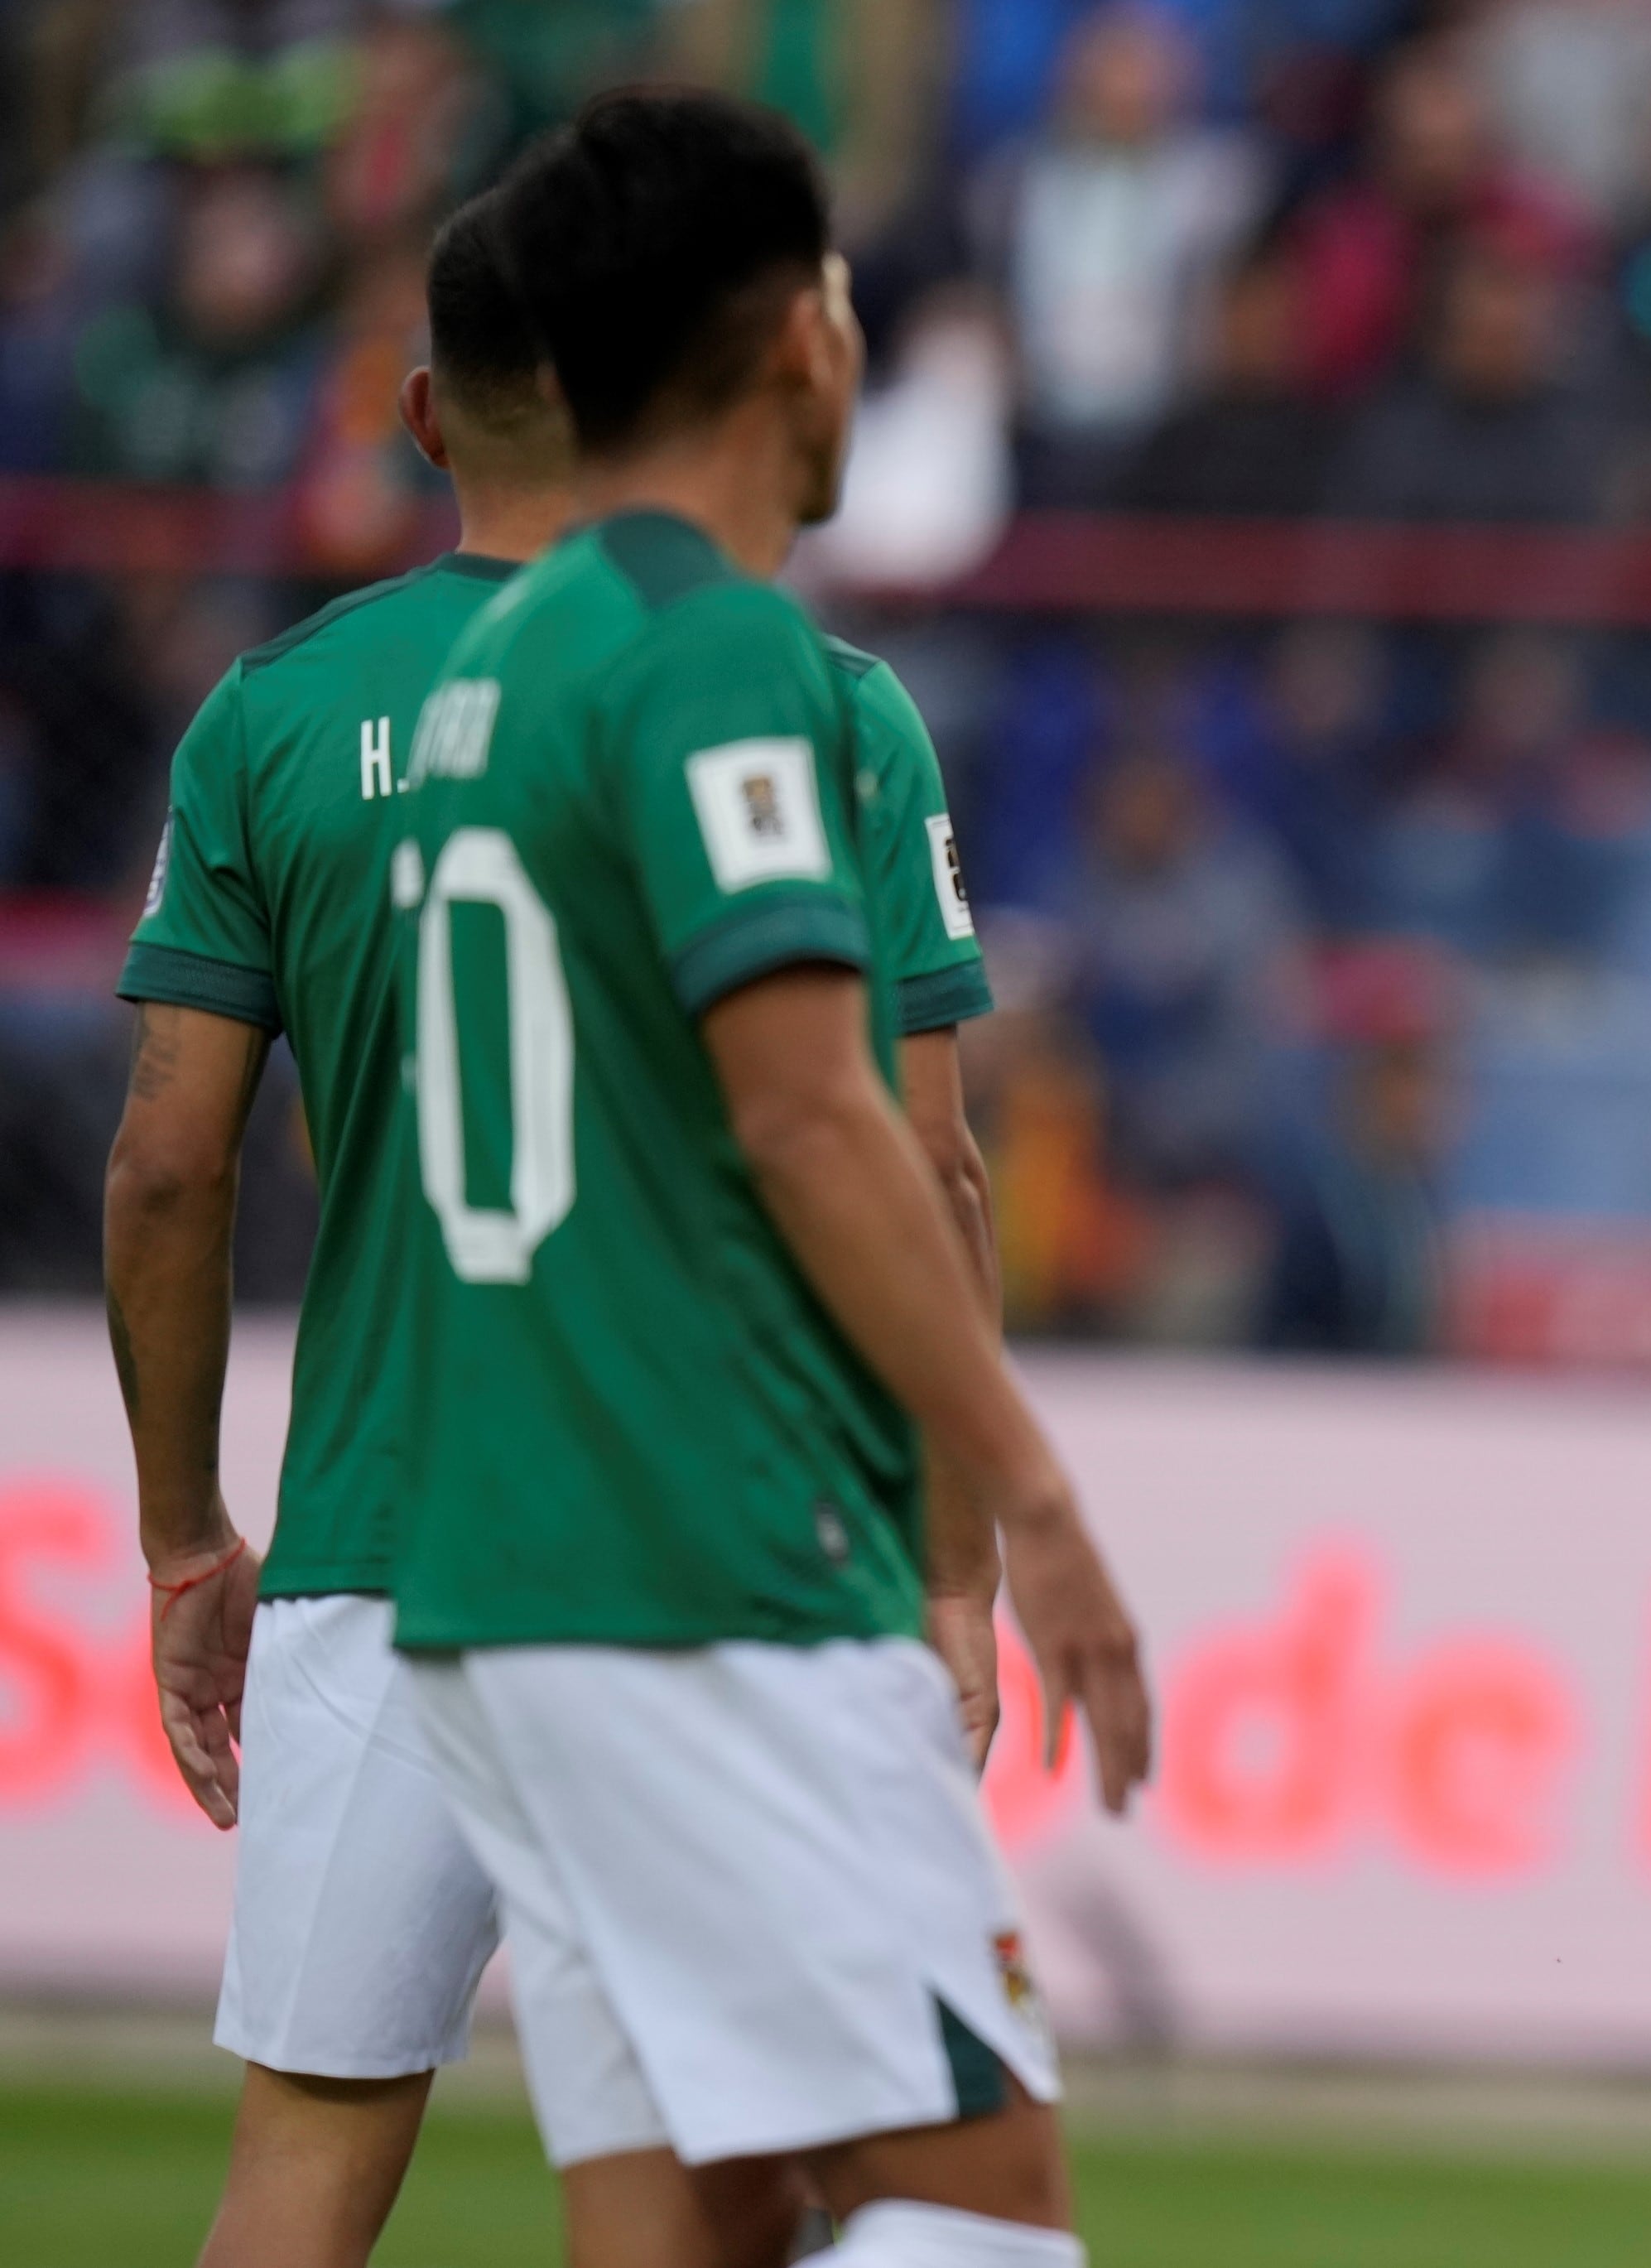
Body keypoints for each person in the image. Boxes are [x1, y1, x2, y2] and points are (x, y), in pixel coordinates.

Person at [104, 182, 1018, 2267]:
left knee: (303, 2169)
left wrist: (184, 1528)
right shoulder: (815, 702)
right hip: (718, 1558)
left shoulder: (271, 716)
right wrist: (956, 1571)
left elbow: (167, 1164)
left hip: (382, 1543)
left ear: (427, 416)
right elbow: (933, 1172)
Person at [381, 90, 1146, 2268]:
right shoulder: (723, 654)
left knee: (686, 2225)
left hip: (495, 1562)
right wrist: (1035, 1508)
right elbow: (834, 1118)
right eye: (832, 299)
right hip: (702, 1562)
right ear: (796, 344)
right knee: (984, 2214)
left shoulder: (490, 666)